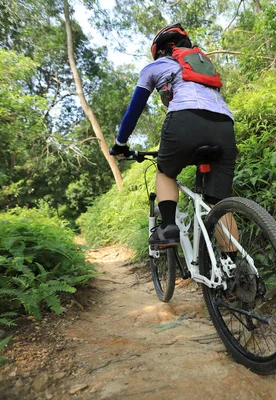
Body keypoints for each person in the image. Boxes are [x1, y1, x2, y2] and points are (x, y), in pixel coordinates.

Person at [110, 23, 237, 247]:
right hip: (224, 125)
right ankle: (235, 270)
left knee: (165, 171)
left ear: (160, 51)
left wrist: (121, 144)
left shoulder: (155, 67)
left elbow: (134, 111)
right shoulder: (201, 67)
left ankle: (168, 228)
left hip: (184, 121)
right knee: (219, 203)